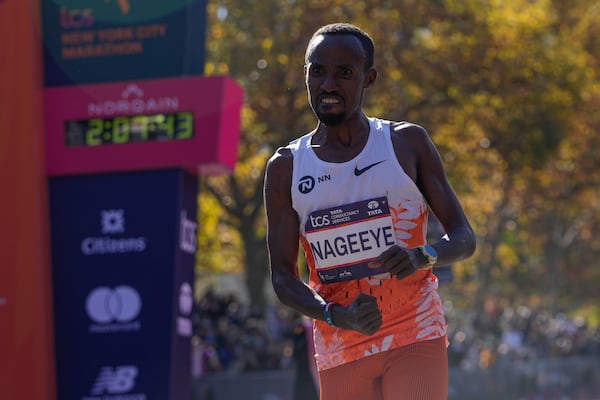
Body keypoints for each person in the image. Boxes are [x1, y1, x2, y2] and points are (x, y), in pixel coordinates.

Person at [263, 22, 476, 400]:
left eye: (344, 72)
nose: (328, 84)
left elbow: (463, 238)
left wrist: (421, 255)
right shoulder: (286, 168)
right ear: (306, 76)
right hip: (342, 342)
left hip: (415, 329)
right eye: (318, 71)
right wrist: (334, 314)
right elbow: (283, 278)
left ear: (369, 78)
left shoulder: (406, 143)